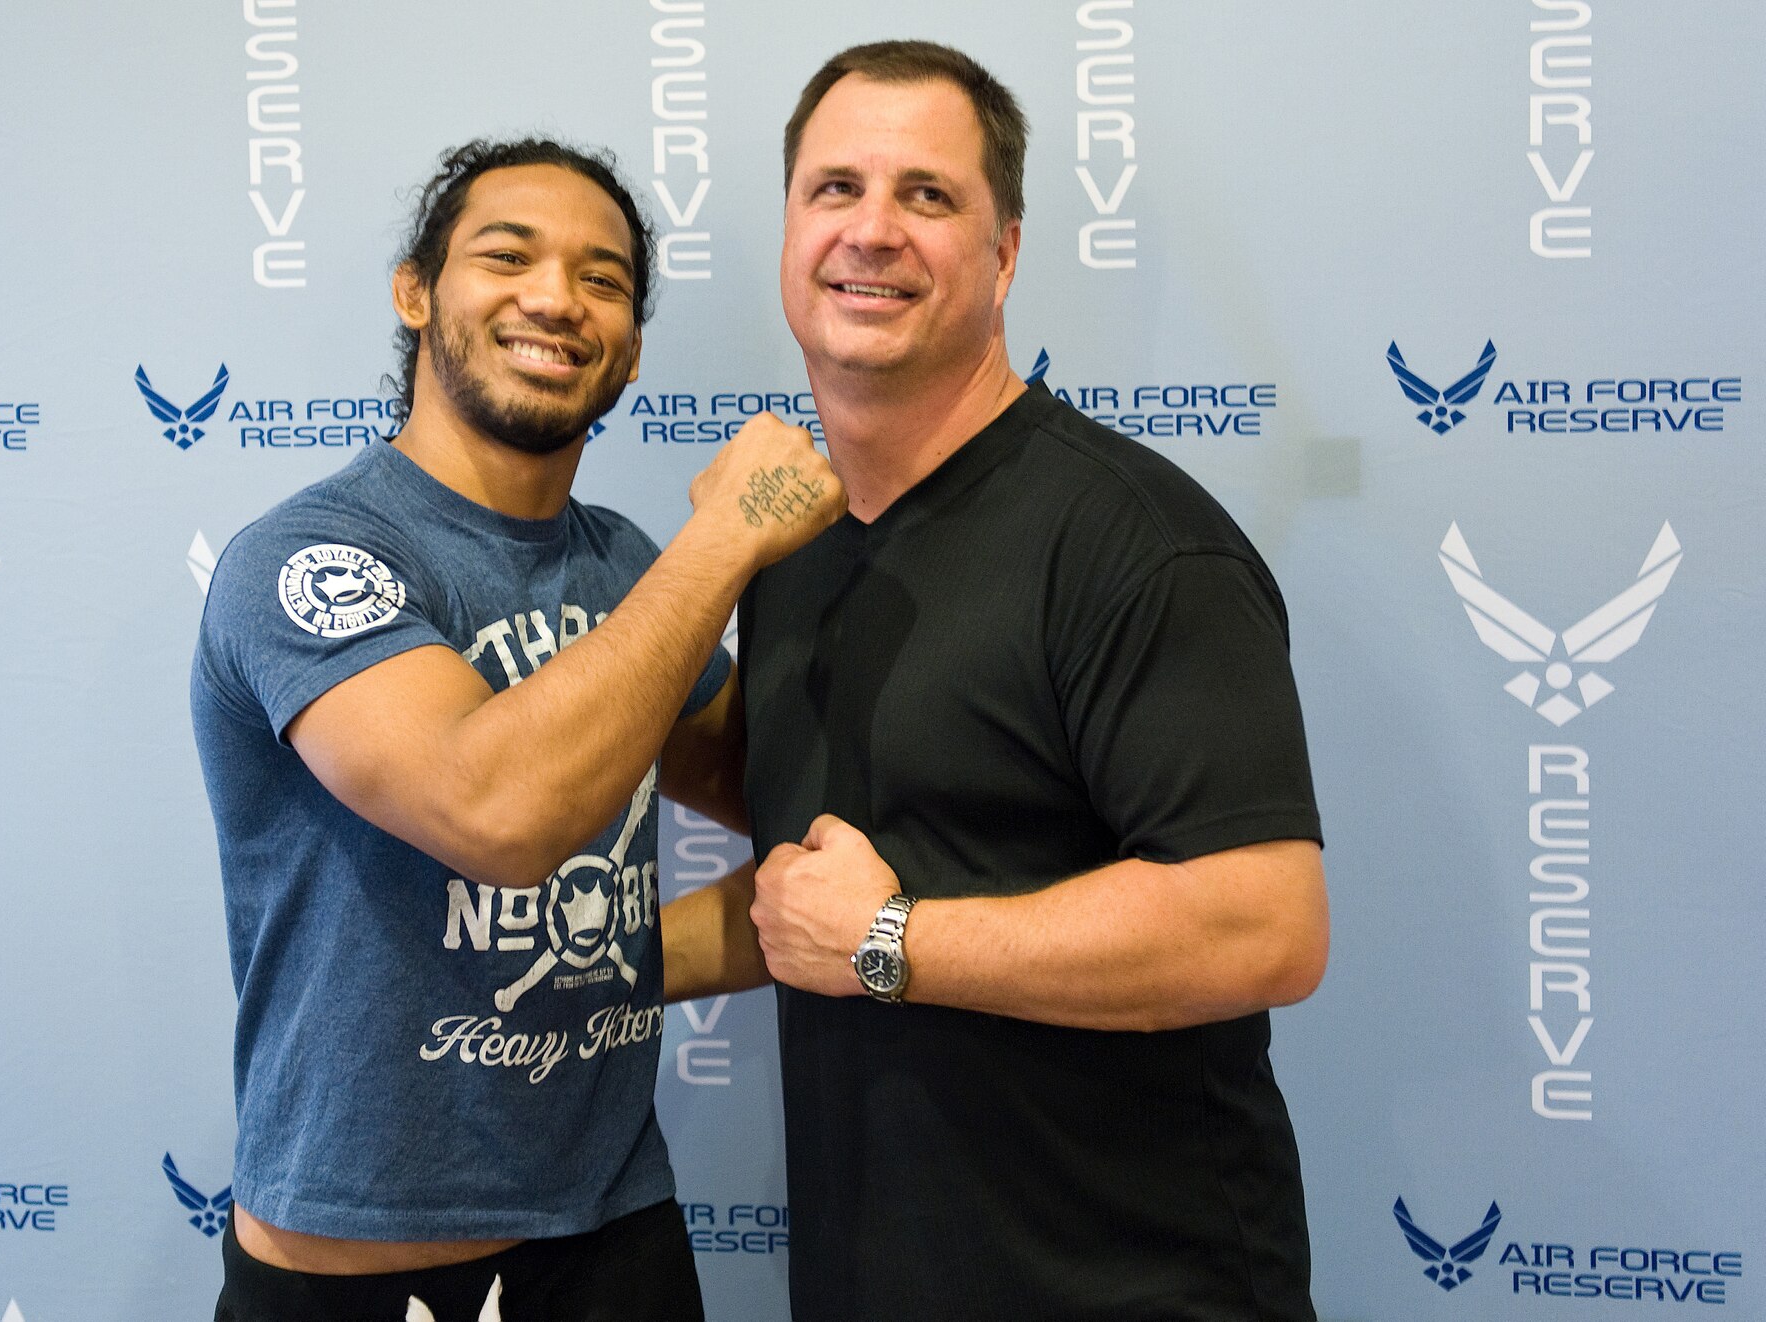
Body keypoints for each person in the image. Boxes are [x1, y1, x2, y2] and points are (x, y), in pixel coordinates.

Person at [661, 42, 1330, 1321]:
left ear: (1006, 252)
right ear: (787, 227)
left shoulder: (1130, 538)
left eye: (927, 195)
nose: (870, 231)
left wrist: (885, 941)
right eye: (833, 188)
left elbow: (1264, 921)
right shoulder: (788, 550)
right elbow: (860, 827)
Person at [192, 137, 841, 1322]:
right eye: (507, 256)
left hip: (612, 1241)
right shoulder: (310, 559)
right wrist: (727, 538)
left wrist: (659, 950)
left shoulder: (626, 572)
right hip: (358, 1271)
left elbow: (794, 800)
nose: (554, 295)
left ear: (630, 347)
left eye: (602, 279)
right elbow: (494, 813)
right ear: (414, 289)